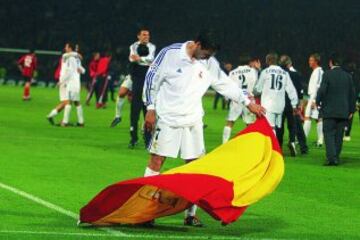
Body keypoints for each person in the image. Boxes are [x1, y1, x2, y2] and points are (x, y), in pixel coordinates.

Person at [142, 30, 265, 227]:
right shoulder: (170, 53)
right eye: (206, 53)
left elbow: (225, 84)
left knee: (195, 165)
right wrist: (150, 107)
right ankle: (146, 211)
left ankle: (190, 215)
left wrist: (247, 102)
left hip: (193, 121)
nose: (208, 58)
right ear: (197, 44)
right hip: (167, 118)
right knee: (156, 161)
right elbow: (151, 79)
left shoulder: (208, 63)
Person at [316, 53, 356, 166]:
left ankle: (331, 158)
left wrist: (318, 101)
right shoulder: (348, 76)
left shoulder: (327, 74)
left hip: (329, 110)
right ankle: (336, 157)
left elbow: (322, 90)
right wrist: (351, 111)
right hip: (343, 111)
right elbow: (352, 94)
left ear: (330, 62)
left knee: (328, 134)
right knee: (339, 135)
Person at [253, 53, 299, 137]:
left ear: (268, 61)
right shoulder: (284, 73)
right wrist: (294, 104)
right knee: (276, 128)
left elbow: (258, 89)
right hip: (280, 105)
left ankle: (271, 148)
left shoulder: (265, 72)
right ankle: (274, 146)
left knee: (270, 127)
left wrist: (254, 92)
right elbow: (291, 90)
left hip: (268, 104)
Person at [127, 28, 156, 148]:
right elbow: (131, 58)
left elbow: (151, 59)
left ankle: (148, 138)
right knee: (135, 109)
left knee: (147, 108)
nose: (146, 37)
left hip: (148, 77)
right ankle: (133, 138)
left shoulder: (152, 46)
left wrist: (140, 59)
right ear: (138, 36)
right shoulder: (133, 45)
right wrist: (144, 61)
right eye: (144, 35)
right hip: (137, 77)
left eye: (148, 35)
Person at [222, 54, 258, 143]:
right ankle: (251, 143)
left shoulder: (232, 72)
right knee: (250, 124)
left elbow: (228, 87)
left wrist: (226, 98)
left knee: (230, 122)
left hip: (236, 99)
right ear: (249, 62)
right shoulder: (253, 71)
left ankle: (224, 143)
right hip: (249, 99)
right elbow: (256, 85)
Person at [278, 55, 308, 155]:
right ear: (289, 64)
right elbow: (300, 92)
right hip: (291, 104)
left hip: (279, 104)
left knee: (279, 126)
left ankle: (279, 146)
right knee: (295, 126)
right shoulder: (295, 75)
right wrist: (299, 105)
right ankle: (297, 144)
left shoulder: (277, 74)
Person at [58, 42, 86, 127]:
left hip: (72, 82)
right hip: (76, 82)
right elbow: (82, 69)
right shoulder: (76, 58)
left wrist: (61, 81)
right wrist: (82, 71)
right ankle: (81, 122)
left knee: (69, 102)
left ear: (70, 48)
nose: (65, 48)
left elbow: (70, 71)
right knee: (77, 102)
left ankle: (65, 122)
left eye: (66, 47)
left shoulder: (71, 58)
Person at [303, 53, 324, 147]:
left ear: (316, 61)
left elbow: (319, 86)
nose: (309, 62)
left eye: (311, 60)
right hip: (313, 97)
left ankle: (304, 139)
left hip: (315, 98)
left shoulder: (319, 71)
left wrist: (315, 100)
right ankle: (319, 140)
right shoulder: (315, 71)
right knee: (316, 118)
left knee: (311, 118)